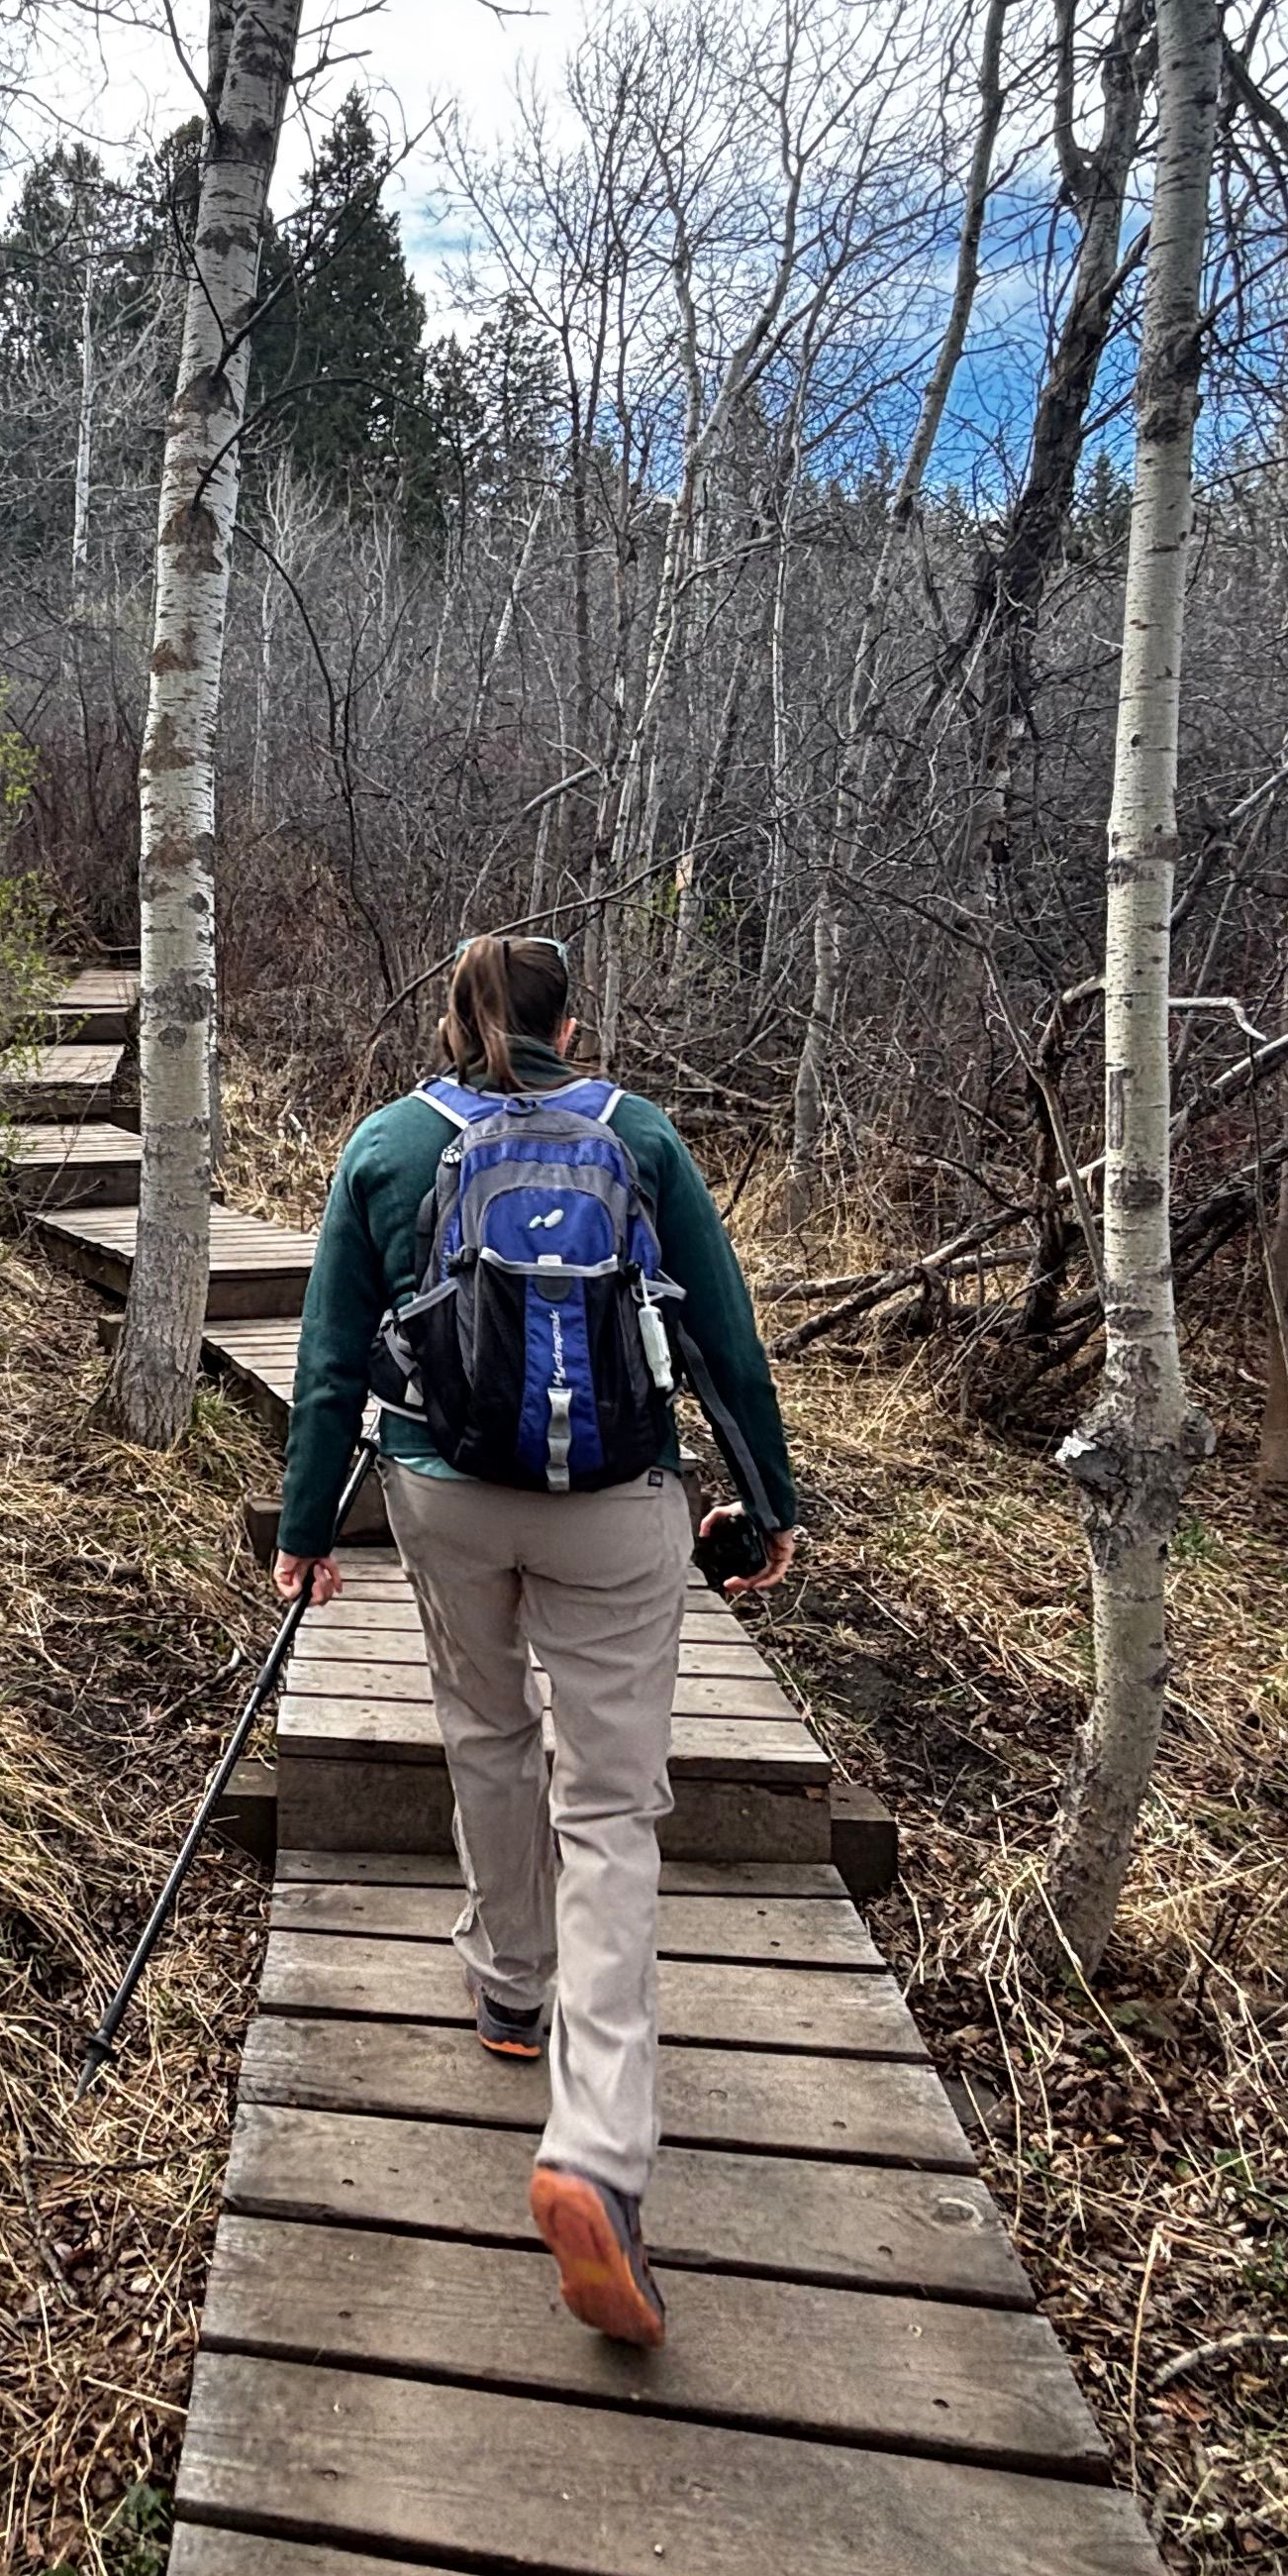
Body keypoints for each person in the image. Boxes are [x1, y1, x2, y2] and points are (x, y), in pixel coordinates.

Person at [270, 931, 802, 2348]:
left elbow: (329, 1354)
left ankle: (510, 1986)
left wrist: (306, 1525)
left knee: (489, 1736)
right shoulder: (641, 1135)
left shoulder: (388, 1146)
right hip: (619, 1503)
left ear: (456, 1021)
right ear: (578, 1020)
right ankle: (595, 2146)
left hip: (440, 1492)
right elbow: (723, 1342)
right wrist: (768, 1497)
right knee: (616, 1806)